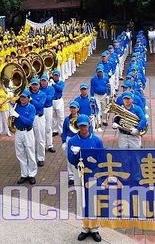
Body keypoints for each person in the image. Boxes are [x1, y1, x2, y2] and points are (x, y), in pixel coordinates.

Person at [67, 114, 104, 243]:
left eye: (85, 125)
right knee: (81, 199)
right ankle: (84, 227)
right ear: (78, 126)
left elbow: (102, 159)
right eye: (81, 125)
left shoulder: (97, 140)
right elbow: (71, 160)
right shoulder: (72, 141)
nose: (83, 128)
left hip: (93, 173)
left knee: (93, 199)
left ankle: (94, 228)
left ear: (89, 125)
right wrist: (75, 154)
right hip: (79, 173)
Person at [9, 90, 37, 185]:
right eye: (21, 97)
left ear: (28, 98)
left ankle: (32, 174)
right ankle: (24, 174)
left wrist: (18, 115)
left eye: (24, 97)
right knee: (20, 153)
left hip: (28, 132)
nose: (22, 99)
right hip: (18, 132)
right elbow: (12, 117)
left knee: (30, 153)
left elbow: (29, 122)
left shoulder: (31, 108)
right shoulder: (17, 106)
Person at [28, 77, 46, 167]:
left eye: (36, 84)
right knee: (30, 140)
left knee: (40, 139)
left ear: (39, 85)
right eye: (33, 84)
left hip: (39, 118)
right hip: (30, 118)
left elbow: (40, 105)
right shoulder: (27, 93)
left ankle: (41, 158)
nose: (34, 86)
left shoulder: (42, 94)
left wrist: (31, 100)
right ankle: (31, 158)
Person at [61, 101, 81, 186]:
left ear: (78, 109)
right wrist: (64, 141)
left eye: (74, 108)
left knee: (80, 158)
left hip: (79, 138)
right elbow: (64, 130)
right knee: (69, 159)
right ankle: (71, 176)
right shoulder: (67, 119)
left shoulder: (81, 118)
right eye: (71, 108)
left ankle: (80, 174)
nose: (73, 109)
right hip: (70, 139)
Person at [40, 73, 56, 154]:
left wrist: (41, 97)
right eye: (42, 81)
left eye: (44, 81)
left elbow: (49, 98)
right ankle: (42, 145)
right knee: (41, 128)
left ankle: (49, 145)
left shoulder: (51, 88)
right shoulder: (38, 88)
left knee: (48, 127)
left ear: (47, 81)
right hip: (40, 109)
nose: (43, 82)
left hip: (48, 109)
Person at [51, 69, 65, 136]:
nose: (55, 77)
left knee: (60, 116)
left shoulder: (61, 82)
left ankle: (61, 130)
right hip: (52, 101)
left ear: (59, 76)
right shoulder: (50, 83)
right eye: (54, 75)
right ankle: (54, 130)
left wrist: (54, 84)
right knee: (53, 116)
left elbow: (60, 89)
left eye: (57, 75)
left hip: (59, 100)